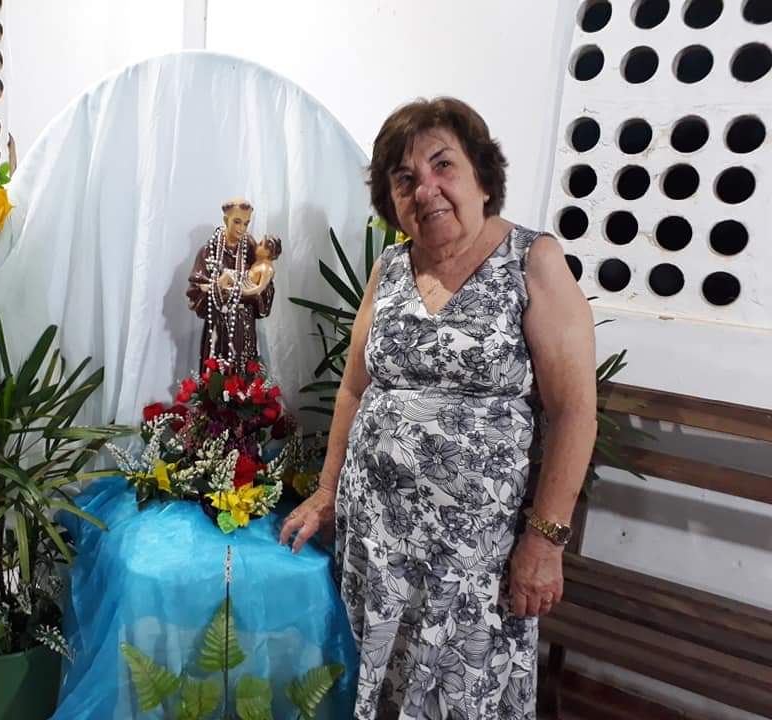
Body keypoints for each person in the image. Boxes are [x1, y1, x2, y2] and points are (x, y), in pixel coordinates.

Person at [280, 97, 597, 719]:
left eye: (442, 165)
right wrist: (326, 491)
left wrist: (545, 543)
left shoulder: (532, 261)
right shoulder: (390, 268)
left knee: (459, 694)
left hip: (472, 559)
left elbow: (574, 412)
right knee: (376, 684)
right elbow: (354, 389)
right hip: (376, 542)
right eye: (404, 179)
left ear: (482, 175)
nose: (425, 189)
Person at [186, 199, 277, 367]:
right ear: (225, 219)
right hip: (218, 325)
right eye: (237, 221)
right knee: (215, 371)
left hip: (244, 325)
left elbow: (265, 291)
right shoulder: (209, 252)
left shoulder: (251, 250)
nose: (242, 228)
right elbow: (195, 291)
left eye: (246, 223)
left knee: (244, 370)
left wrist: (239, 292)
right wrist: (219, 290)